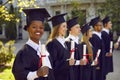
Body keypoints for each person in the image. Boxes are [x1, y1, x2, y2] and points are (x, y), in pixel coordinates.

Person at [12, 8, 54, 80]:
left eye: (41, 27)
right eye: (34, 27)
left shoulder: (44, 50)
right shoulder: (23, 53)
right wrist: (37, 73)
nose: (38, 30)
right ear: (28, 29)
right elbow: (19, 75)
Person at [46, 13, 75, 80]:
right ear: (57, 27)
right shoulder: (52, 44)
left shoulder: (63, 43)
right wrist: (67, 63)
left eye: (66, 26)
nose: (66, 29)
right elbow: (53, 65)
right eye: (64, 26)